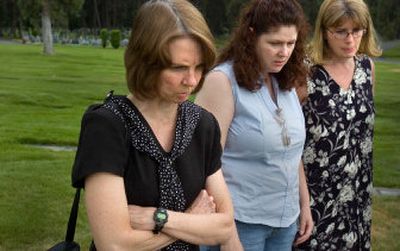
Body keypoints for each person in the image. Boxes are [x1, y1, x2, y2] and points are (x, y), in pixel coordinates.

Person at [71, 0, 234, 250]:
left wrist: (156, 218)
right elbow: (114, 245)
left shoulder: (203, 125)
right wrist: (192, 222)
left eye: (199, 67)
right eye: (178, 67)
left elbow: (223, 227)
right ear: (146, 61)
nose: (191, 80)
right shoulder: (108, 126)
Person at [195, 0, 313, 250]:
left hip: (285, 221)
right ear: (251, 36)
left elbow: (292, 151)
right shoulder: (222, 82)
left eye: (290, 43)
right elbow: (204, 163)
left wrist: (304, 204)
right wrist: (226, 233)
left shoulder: (286, 81)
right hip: (239, 222)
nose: (284, 52)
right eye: (275, 43)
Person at [296, 0, 382, 250]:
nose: (350, 39)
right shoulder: (306, 72)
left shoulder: (367, 68)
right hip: (316, 199)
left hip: (358, 197)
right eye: (341, 31)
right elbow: (290, 142)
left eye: (357, 30)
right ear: (324, 31)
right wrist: (303, 203)